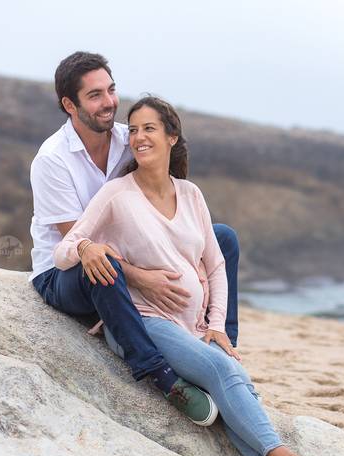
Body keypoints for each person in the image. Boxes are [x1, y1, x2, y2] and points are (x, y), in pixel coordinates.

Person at [53, 96, 344, 456]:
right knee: (224, 371)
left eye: (149, 128)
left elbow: (217, 263)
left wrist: (217, 325)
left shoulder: (190, 194)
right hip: (143, 321)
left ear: (172, 137)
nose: (138, 137)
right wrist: (86, 247)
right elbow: (62, 250)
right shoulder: (117, 194)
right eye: (133, 130)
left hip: (191, 324)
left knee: (231, 375)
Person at [29, 51, 240, 426]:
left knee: (222, 239)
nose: (109, 102)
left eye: (111, 90)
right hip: (64, 273)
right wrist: (141, 277)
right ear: (69, 104)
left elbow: (170, 189)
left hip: (130, 259)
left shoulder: (131, 140)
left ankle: (220, 345)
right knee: (102, 265)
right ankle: (163, 377)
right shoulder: (52, 160)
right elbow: (78, 245)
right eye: (95, 95)